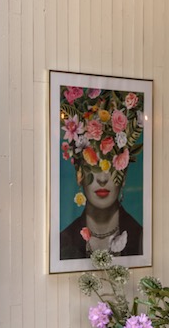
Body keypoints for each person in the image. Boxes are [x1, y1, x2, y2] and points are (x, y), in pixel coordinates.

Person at [58, 86, 144, 260]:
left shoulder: (140, 237)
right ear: (79, 175)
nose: (103, 178)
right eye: (93, 165)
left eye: (111, 166)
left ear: (124, 175)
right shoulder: (64, 241)